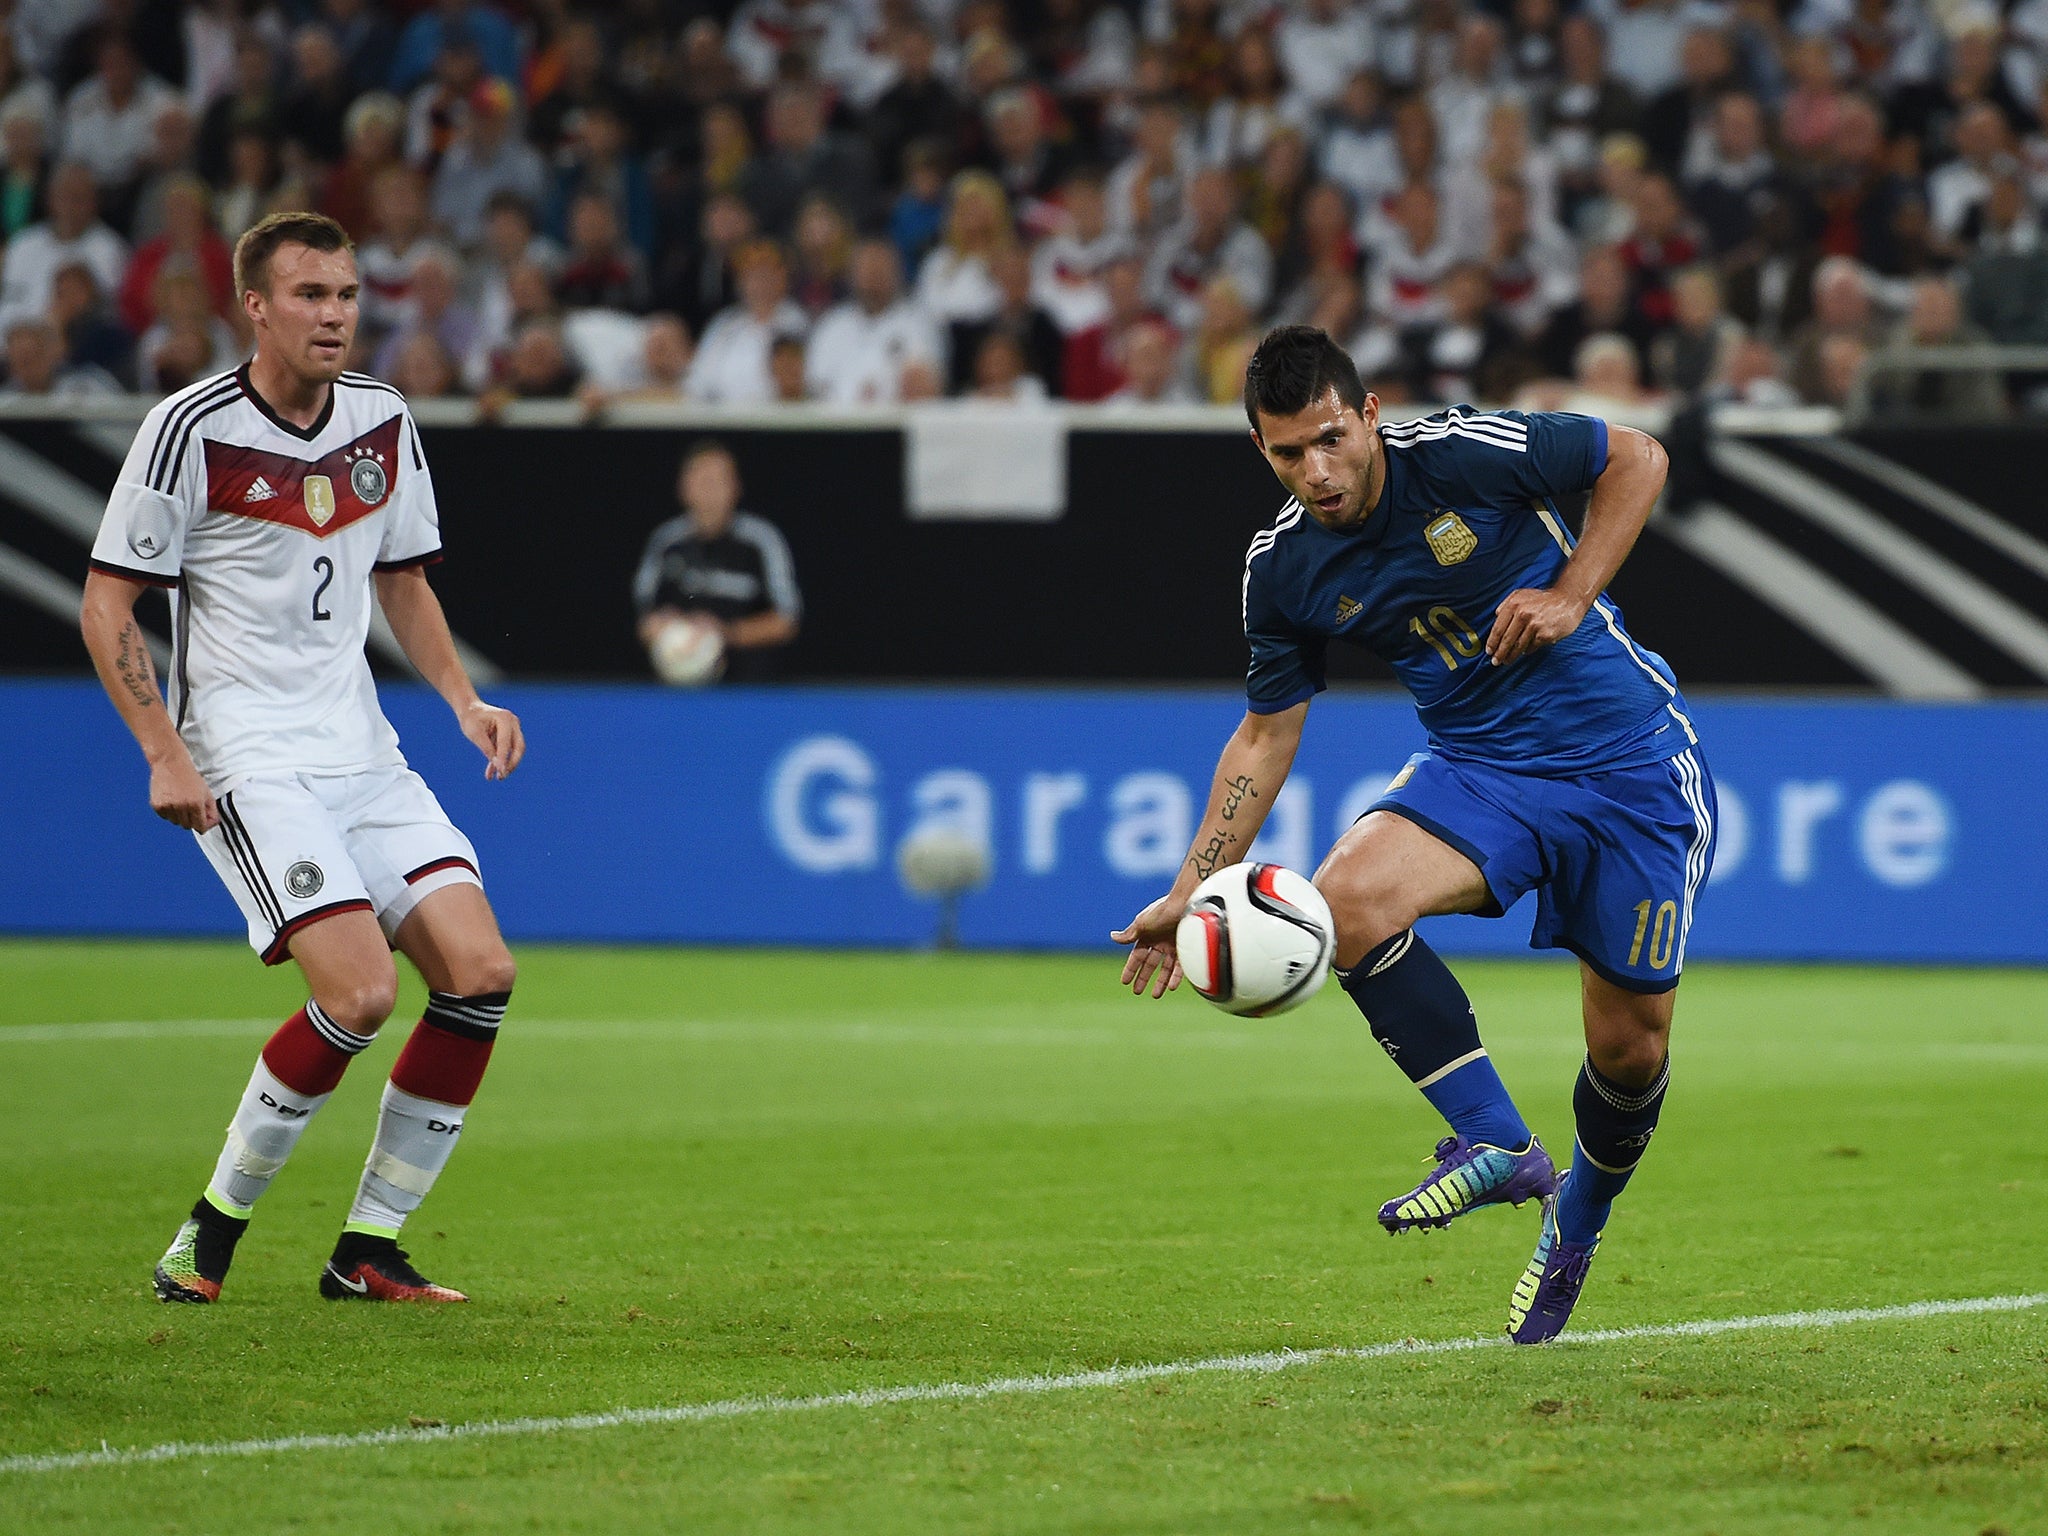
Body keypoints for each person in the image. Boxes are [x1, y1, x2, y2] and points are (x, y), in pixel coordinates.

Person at [1112, 326, 1713, 1345]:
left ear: (1369, 417)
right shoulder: (1284, 568)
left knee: (1626, 1048)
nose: (1316, 471)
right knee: (1338, 903)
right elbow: (1264, 734)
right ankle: (1496, 1141)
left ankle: (1579, 1217)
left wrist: (1568, 596)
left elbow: (1636, 456)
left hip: (1626, 769)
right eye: (1286, 453)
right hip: (1479, 768)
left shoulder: (1461, 457)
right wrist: (1187, 890)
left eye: (1330, 440)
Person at [79, 210, 524, 1307]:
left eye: (346, 294)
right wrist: (163, 751)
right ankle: (208, 1234)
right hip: (248, 755)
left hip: (362, 751)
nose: (334, 315)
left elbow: (402, 578)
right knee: (363, 995)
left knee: (480, 975)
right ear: (257, 306)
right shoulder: (189, 429)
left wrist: (463, 698)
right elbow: (106, 602)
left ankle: (368, 1251)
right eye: (310, 295)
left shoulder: (381, 418)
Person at [633, 441, 802, 684]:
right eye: (702, 480)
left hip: (747, 687)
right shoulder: (666, 541)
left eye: (719, 481)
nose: (710, 491)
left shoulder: (761, 540)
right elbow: (645, 620)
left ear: (736, 488)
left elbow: (787, 620)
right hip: (674, 684)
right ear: (684, 488)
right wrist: (668, 629)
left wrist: (725, 634)